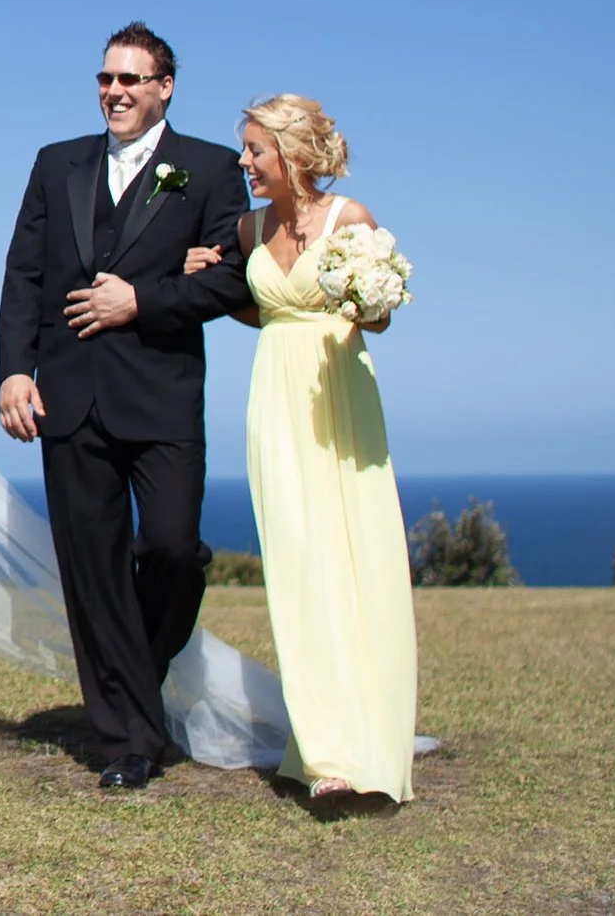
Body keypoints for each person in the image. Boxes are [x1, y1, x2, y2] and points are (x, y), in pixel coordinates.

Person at [0, 21, 252, 790]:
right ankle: (128, 741)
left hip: (162, 397)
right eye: (106, 78)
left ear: (164, 86)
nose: (115, 91)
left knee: (173, 547)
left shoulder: (207, 168)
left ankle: (132, 675)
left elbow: (233, 279)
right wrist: (14, 373)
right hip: (68, 398)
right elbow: (22, 276)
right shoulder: (56, 163)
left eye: (131, 79)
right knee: (92, 574)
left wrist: (140, 299)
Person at [185, 95, 416, 801]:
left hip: (337, 396)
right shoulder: (249, 227)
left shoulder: (351, 219)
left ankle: (364, 741)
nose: (246, 163)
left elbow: (378, 316)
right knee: (296, 563)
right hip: (273, 403)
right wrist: (209, 274)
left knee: (355, 556)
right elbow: (262, 308)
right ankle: (320, 748)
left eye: (256, 150)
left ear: (292, 152)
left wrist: (366, 296)